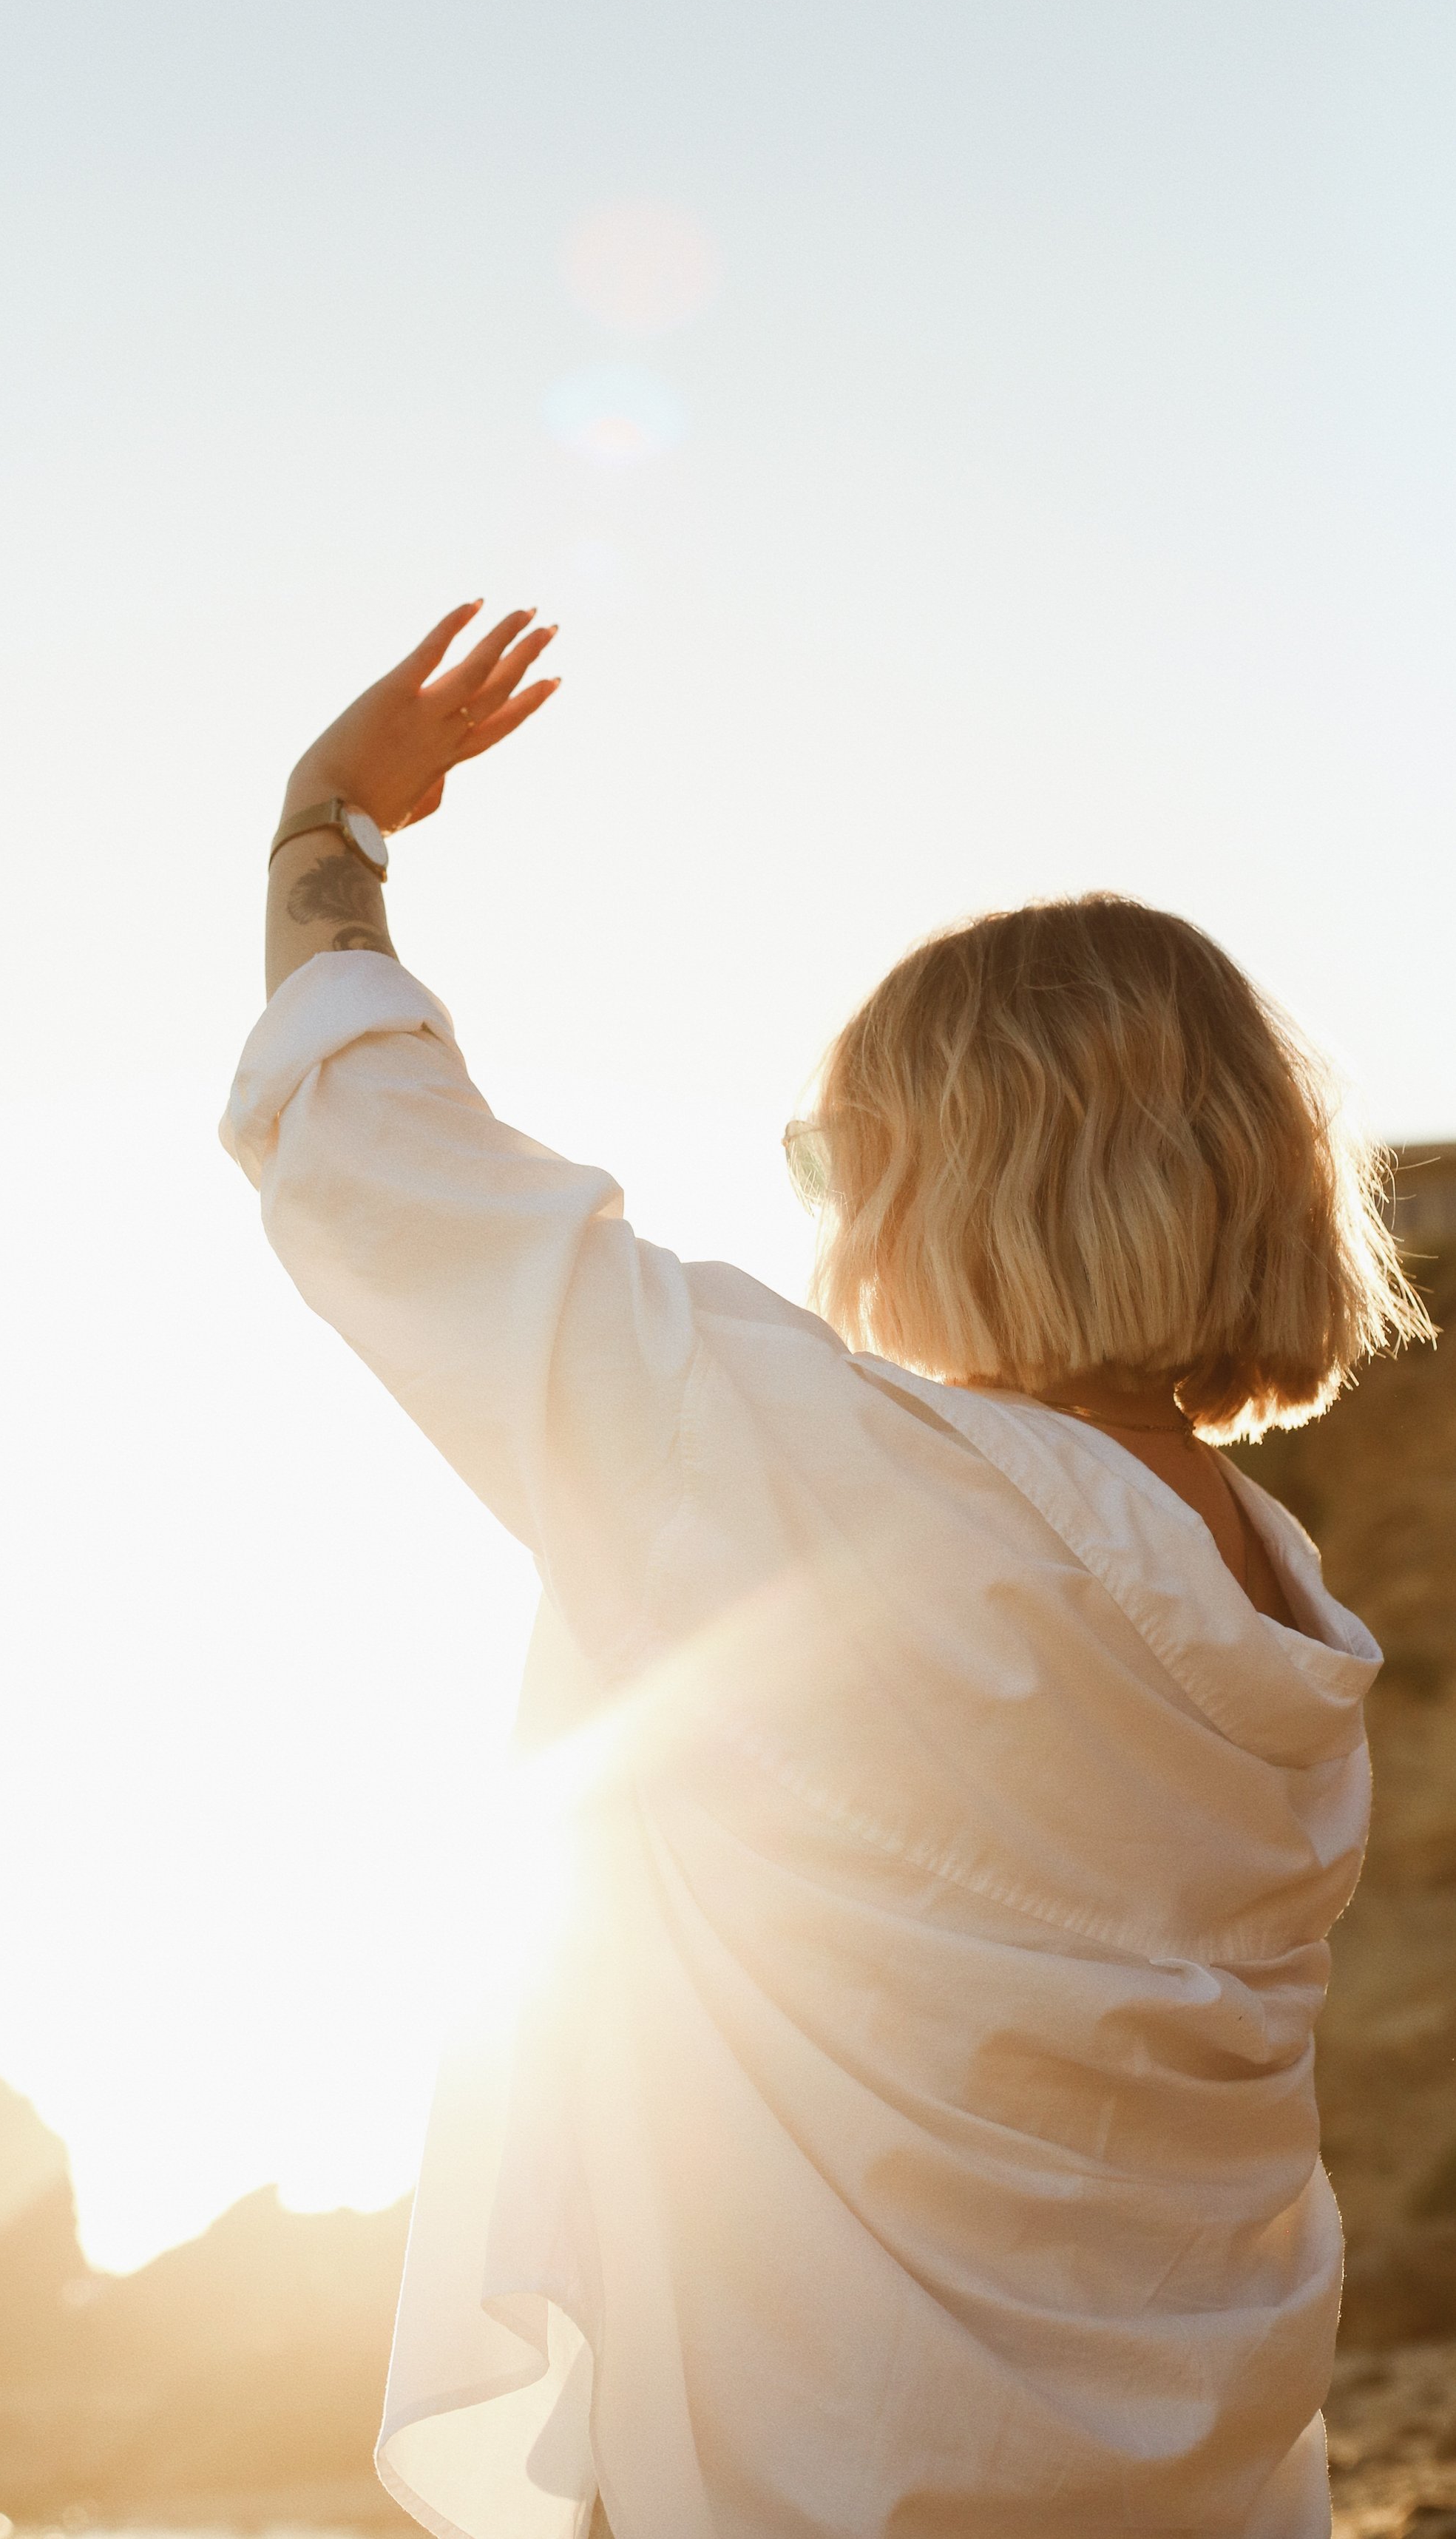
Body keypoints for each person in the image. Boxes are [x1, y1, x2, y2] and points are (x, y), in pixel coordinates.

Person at [220, 604, 1433, 2539]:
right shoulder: (1285, 1616)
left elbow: (377, 1156)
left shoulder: (843, 1486)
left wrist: (322, 835)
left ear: (956, 1175)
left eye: (829, 1155)